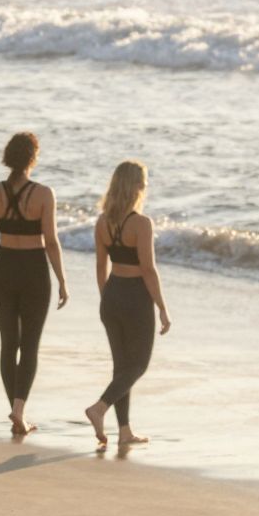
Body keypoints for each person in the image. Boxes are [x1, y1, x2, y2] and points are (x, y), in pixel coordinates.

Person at [0, 131, 68, 436]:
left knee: (8, 343)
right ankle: (19, 410)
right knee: (30, 344)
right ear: (33, 158)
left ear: (8, 157)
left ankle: (16, 412)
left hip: (4, 268)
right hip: (34, 270)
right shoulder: (44, 194)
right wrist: (62, 280)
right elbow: (51, 242)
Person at [83, 161, 170, 449]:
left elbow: (100, 266)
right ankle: (99, 408)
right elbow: (148, 269)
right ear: (136, 187)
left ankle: (124, 431)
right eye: (143, 182)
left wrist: (106, 297)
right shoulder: (141, 224)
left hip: (112, 293)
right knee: (138, 365)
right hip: (135, 297)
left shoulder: (102, 222)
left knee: (122, 367)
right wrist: (162, 307)